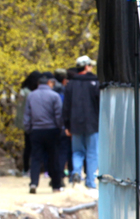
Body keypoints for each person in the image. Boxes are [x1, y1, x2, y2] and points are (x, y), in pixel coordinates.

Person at [23, 71, 66, 193]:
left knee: (36, 157)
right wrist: (60, 128)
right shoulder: (54, 96)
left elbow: (27, 115)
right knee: (54, 157)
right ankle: (56, 185)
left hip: (36, 130)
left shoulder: (31, 96)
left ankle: (34, 183)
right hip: (51, 130)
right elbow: (58, 115)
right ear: (49, 83)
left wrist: (28, 129)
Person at [65, 55, 101, 189]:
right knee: (92, 153)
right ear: (87, 67)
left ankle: (75, 172)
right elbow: (100, 103)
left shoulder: (71, 84)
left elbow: (66, 106)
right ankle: (90, 181)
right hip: (93, 124)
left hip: (75, 124)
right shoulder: (95, 82)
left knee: (77, 151)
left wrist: (66, 124)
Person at [14, 71, 40, 171]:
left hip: (26, 122)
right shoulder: (29, 93)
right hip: (31, 122)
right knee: (31, 147)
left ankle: (27, 168)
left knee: (28, 146)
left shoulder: (23, 91)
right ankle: (29, 167)